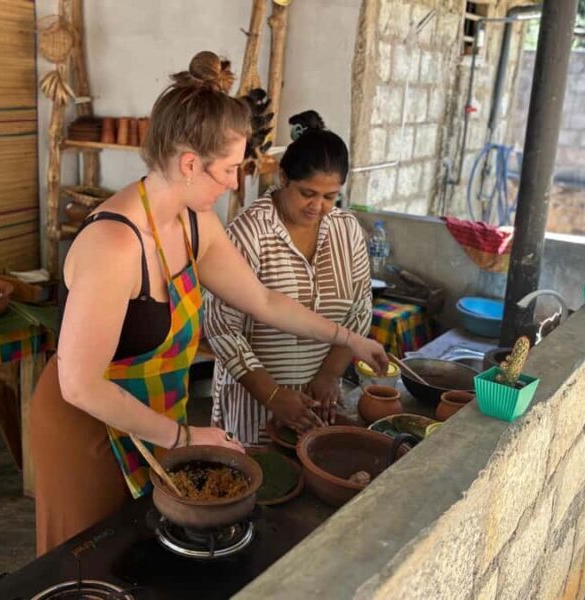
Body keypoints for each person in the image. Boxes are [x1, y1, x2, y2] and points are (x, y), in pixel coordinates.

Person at [30, 53, 388, 555]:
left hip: (151, 414)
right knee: (90, 561)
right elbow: (80, 384)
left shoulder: (195, 224)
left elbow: (263, 300)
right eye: (228, 170)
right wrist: (183, 437)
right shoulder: (113, 245)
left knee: (144, 550)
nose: (234, 183)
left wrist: (348, 337)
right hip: (87, 426)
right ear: (189, 163)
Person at [205, 110, 376, 445]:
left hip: (319, 402)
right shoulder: (249, 231)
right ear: (284, 177)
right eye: (308, 193)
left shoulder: (347, 230)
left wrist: (329, 375)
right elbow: (222, 327)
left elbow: (360, 309)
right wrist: (273, 396)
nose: (319, 206)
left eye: (330, 196)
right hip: (256, 403)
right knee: (259, 480)